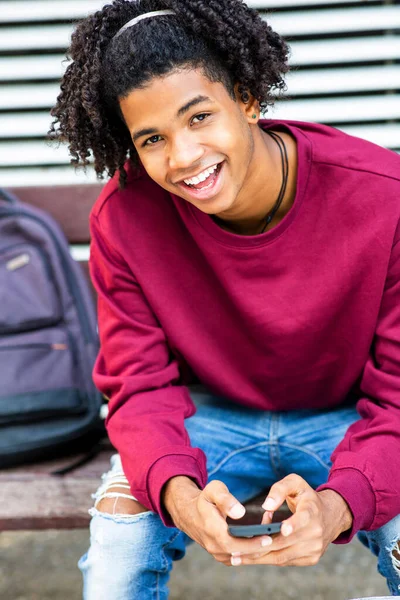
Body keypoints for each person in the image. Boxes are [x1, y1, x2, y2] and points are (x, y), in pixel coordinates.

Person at [50, 0, 400, 598]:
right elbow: (138, 386)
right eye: (152, 137)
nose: (183, 157)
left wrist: (341, 506)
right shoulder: (124, 218)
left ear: (246, 97)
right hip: (203, 420)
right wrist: (178, 496)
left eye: (199, 116)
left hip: (350, 421)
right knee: (118, 550)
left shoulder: (381, 198)